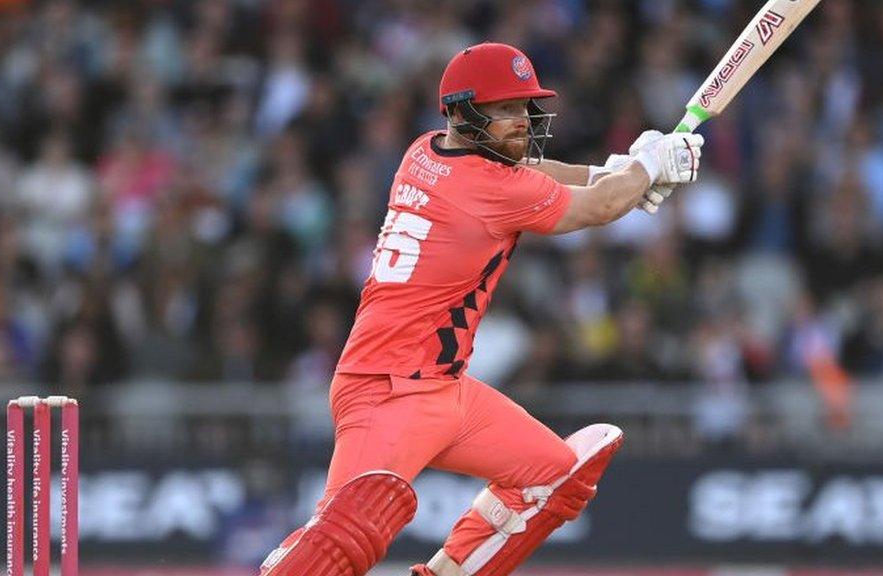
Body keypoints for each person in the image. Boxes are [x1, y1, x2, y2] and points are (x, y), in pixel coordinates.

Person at [258, 42, 704, 576]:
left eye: (524, 108)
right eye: (505, 109)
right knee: (337, 549)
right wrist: (641, 172)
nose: (522, 121)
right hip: (388, 392)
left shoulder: (425, 149)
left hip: (444, 389)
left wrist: (621, 171)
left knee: (556, 475)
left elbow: (538, 173)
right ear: (463, 113)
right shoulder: (487, 186)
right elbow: (600, 208)